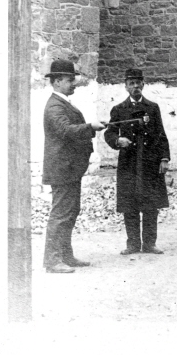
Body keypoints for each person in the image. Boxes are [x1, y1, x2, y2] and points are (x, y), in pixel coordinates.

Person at [42, 59, 107, 273]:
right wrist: (91, 127)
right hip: (62, 169)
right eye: (70, 80)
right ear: (58, 81)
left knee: (70, 211)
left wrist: (91, 127)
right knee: (61, 214)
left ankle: (65, 255)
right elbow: (66, 131)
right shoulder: (54, 106)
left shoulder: (63, 103)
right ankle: (52, 261)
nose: (74, 84)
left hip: (69, 169)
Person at [104, 68, 170, 255]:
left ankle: (149, 243)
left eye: (138, 83)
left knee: (151, 203)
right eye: (131, 83)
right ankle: (132, 244)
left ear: (143, 84)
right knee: (130, 204)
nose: (135, 87)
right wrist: (117, 141)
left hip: (150, 161)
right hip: (129, 162)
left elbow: (161, 134)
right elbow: (109, 132)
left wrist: (164, 158)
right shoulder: (119, 110)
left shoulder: (153, 107)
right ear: (125, 86)